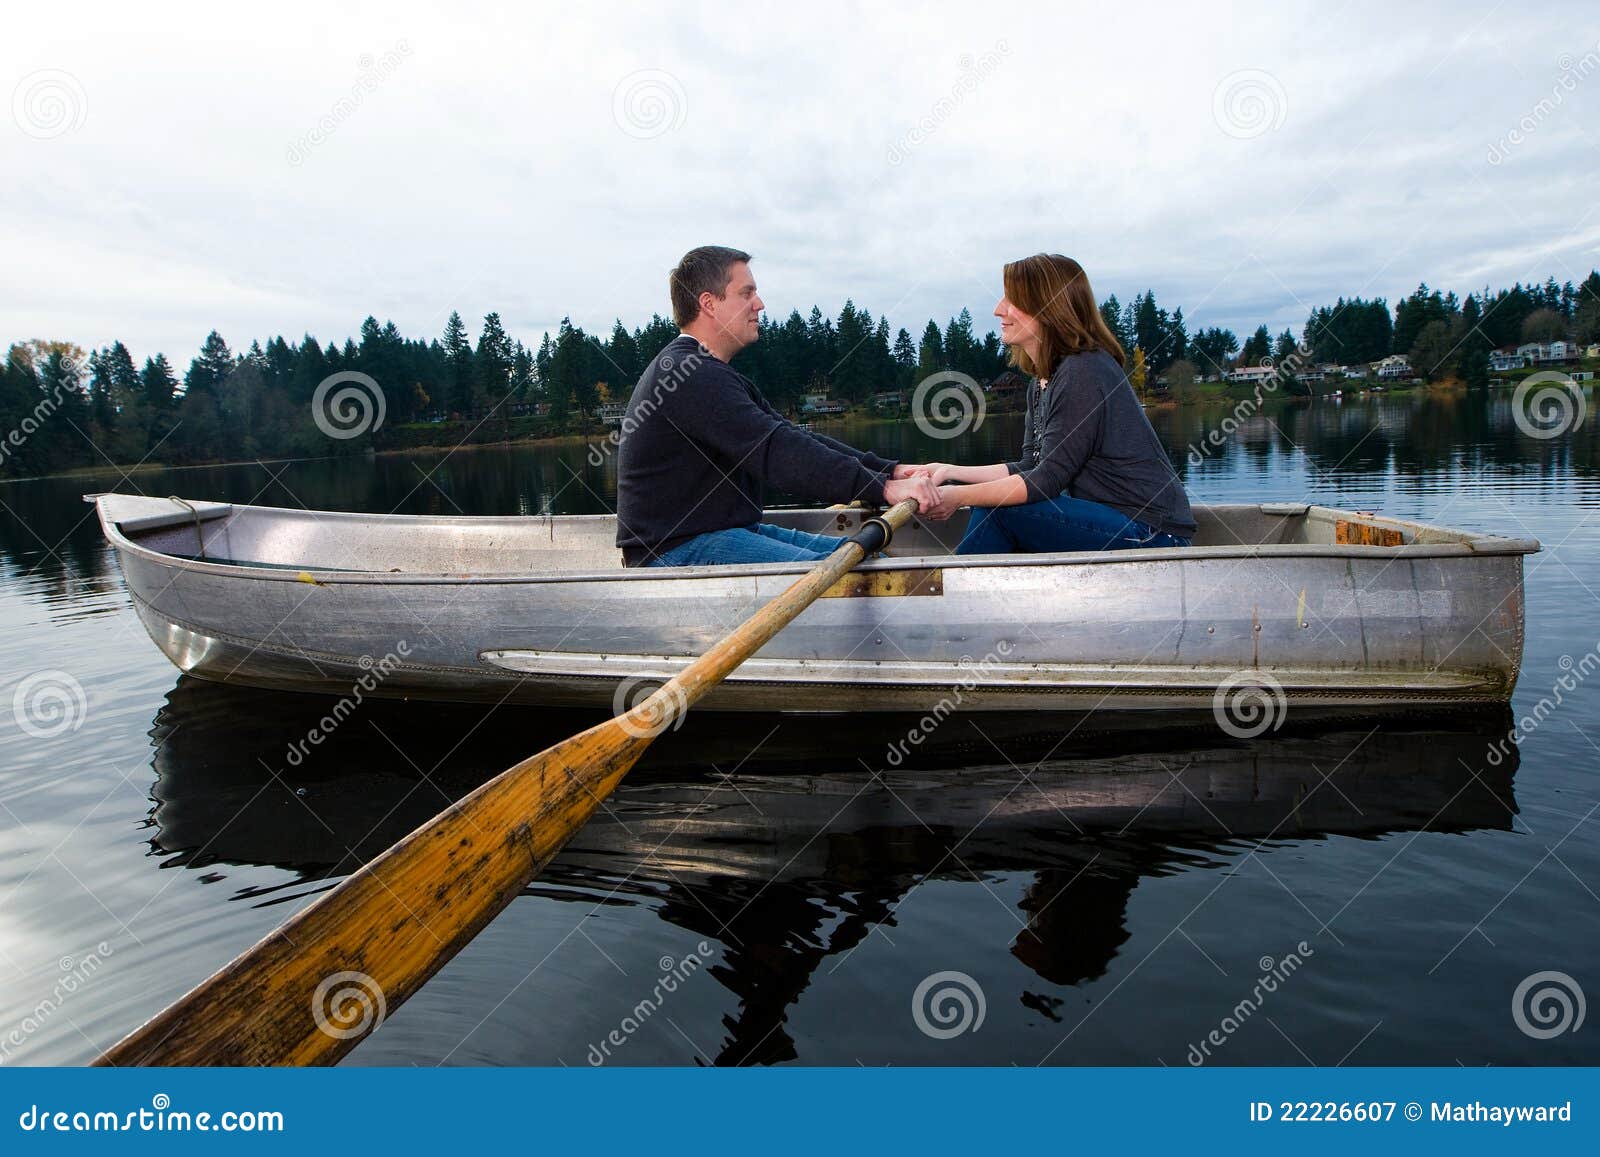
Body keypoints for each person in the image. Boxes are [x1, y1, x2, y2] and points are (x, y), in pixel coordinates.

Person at [616, 246, 938, 566]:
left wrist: (888, 471)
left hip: (718, 532)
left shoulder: (706, 370)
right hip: (674, 550)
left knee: (870, 558)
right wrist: (883, 489)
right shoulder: (688, 374)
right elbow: (777, 452)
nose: (759, 304)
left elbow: (788, 435)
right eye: (747, 293)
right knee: (855, 575)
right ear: (709, 304)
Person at [922, 254, 1196, 554]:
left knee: (999, 508)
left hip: (1151, 532)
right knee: (994, 503)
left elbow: (1045, 481)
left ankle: (951, 593)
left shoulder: (1084, 370)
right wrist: (950, 470)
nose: (998, 309)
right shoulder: (1042, 382)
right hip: (1118, 524)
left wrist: (958, 496)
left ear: (1048, 308)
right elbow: (1030, 466)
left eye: (1012, 300)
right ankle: (962, 590)